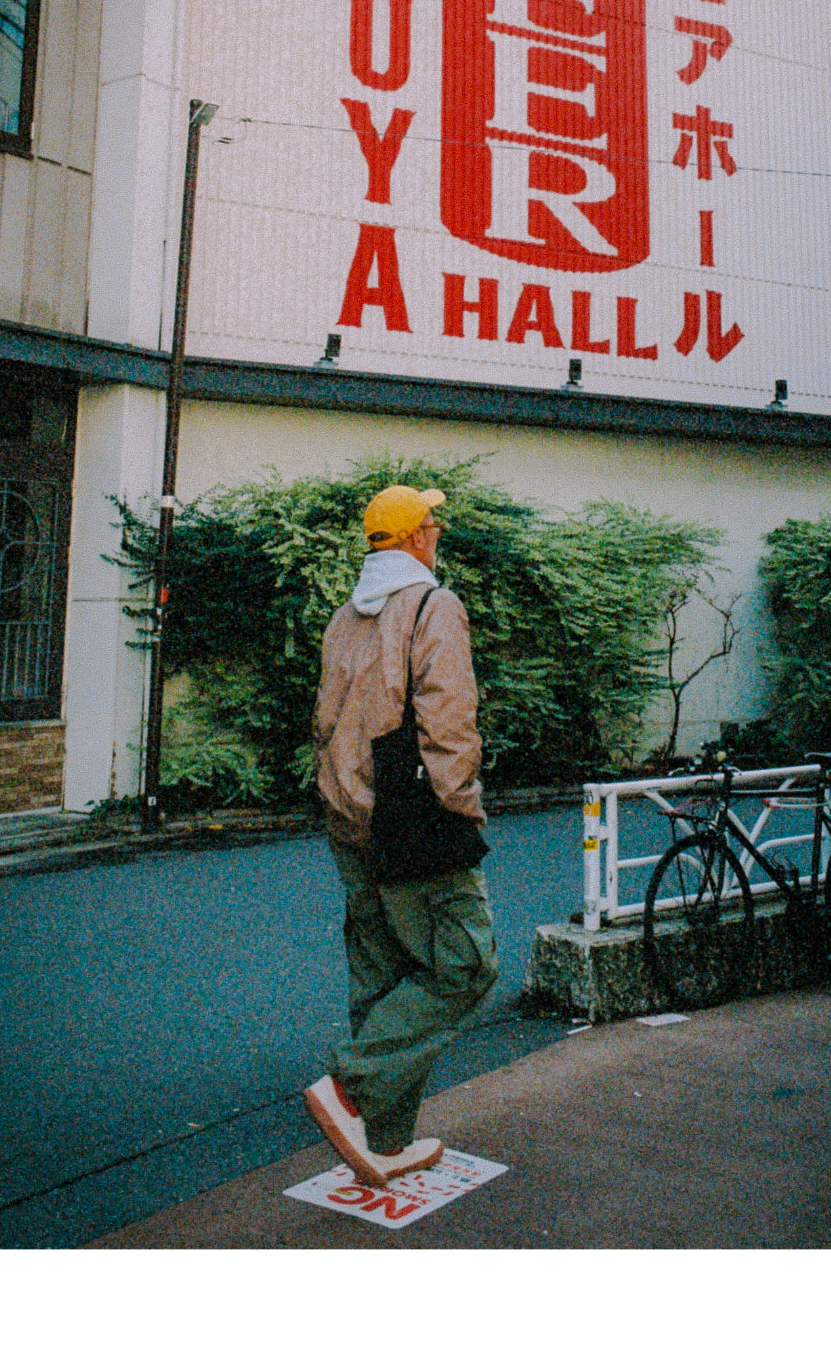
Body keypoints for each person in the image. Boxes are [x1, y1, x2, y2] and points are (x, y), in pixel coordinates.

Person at [303, 483, 498, 1187]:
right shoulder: (432, 605)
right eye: (433, 522)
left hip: (349, 819)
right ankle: (350, 1087)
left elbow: (324, 724)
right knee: (465, 966)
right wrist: (463, 811)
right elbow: (449, 725)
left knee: (382, 977)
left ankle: (383, 1142)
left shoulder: (344, 617)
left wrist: (342, 803)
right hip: (417, 824)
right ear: (417, 538)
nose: (437, 530)